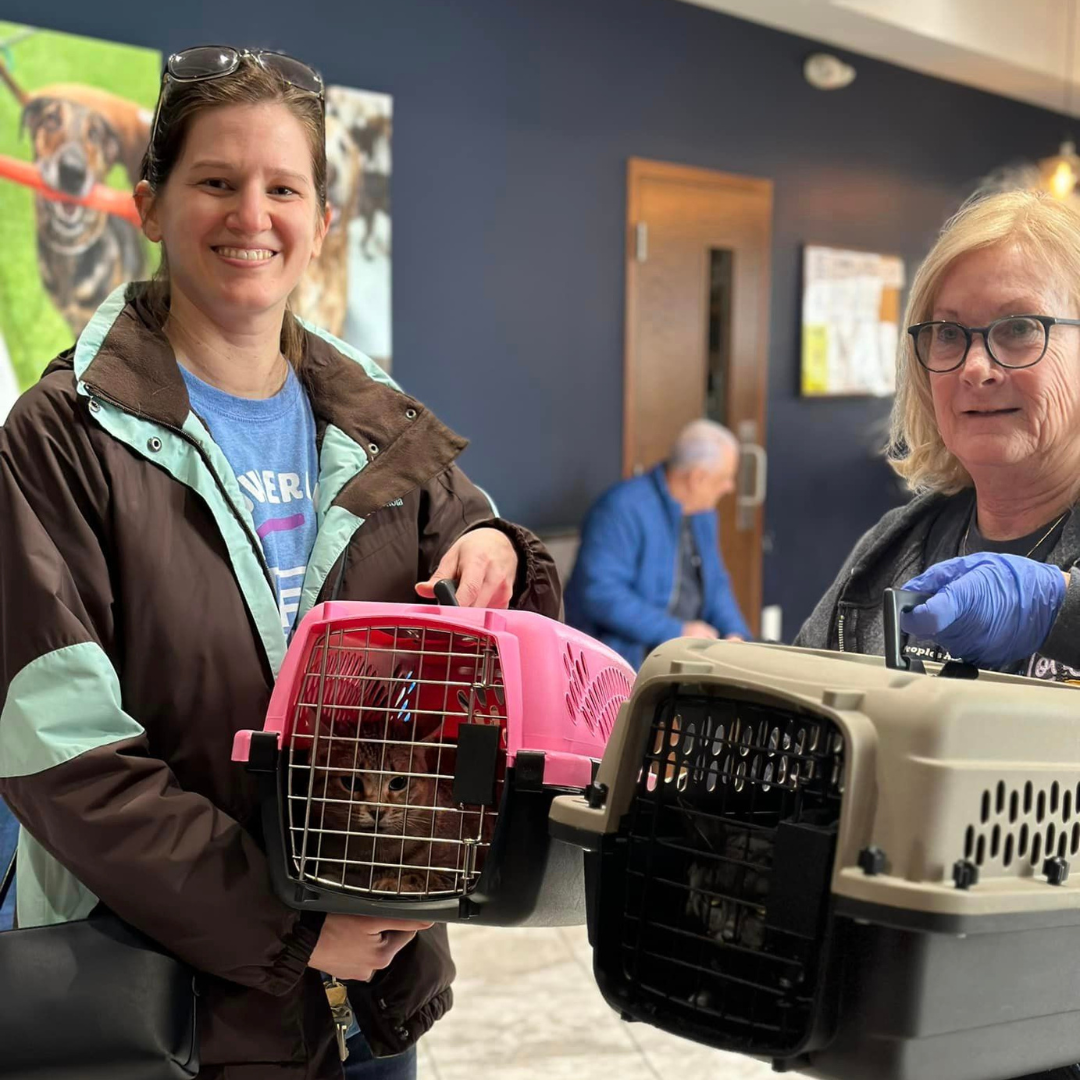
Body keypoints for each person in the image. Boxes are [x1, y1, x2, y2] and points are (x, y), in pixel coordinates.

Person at [0, 46, 560, 1080]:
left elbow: (495, 642)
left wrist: (498, 550)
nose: (250, 215)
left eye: (282, 187)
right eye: (214, 181)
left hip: (374, 997)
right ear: (150, 205)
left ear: (322, 225)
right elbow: (60, 755)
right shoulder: (57, 437)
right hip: (172, 1018)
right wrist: (290, 927)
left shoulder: (381, 421)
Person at [795, 188, 1080, 1080]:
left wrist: (1060, 611)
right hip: (879, 1016)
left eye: (1019, 329)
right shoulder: (894, 549)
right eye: (947, 335)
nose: (975, 367)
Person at [565, 419, 750, 668]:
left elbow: (715, 584)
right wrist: (677, 630)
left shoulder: (703, 515)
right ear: (697, 478)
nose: (730, 487)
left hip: (688, 652)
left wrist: (735, 634)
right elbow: (600, 593)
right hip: (628, 658)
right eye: (725, 478)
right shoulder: (621, 509)